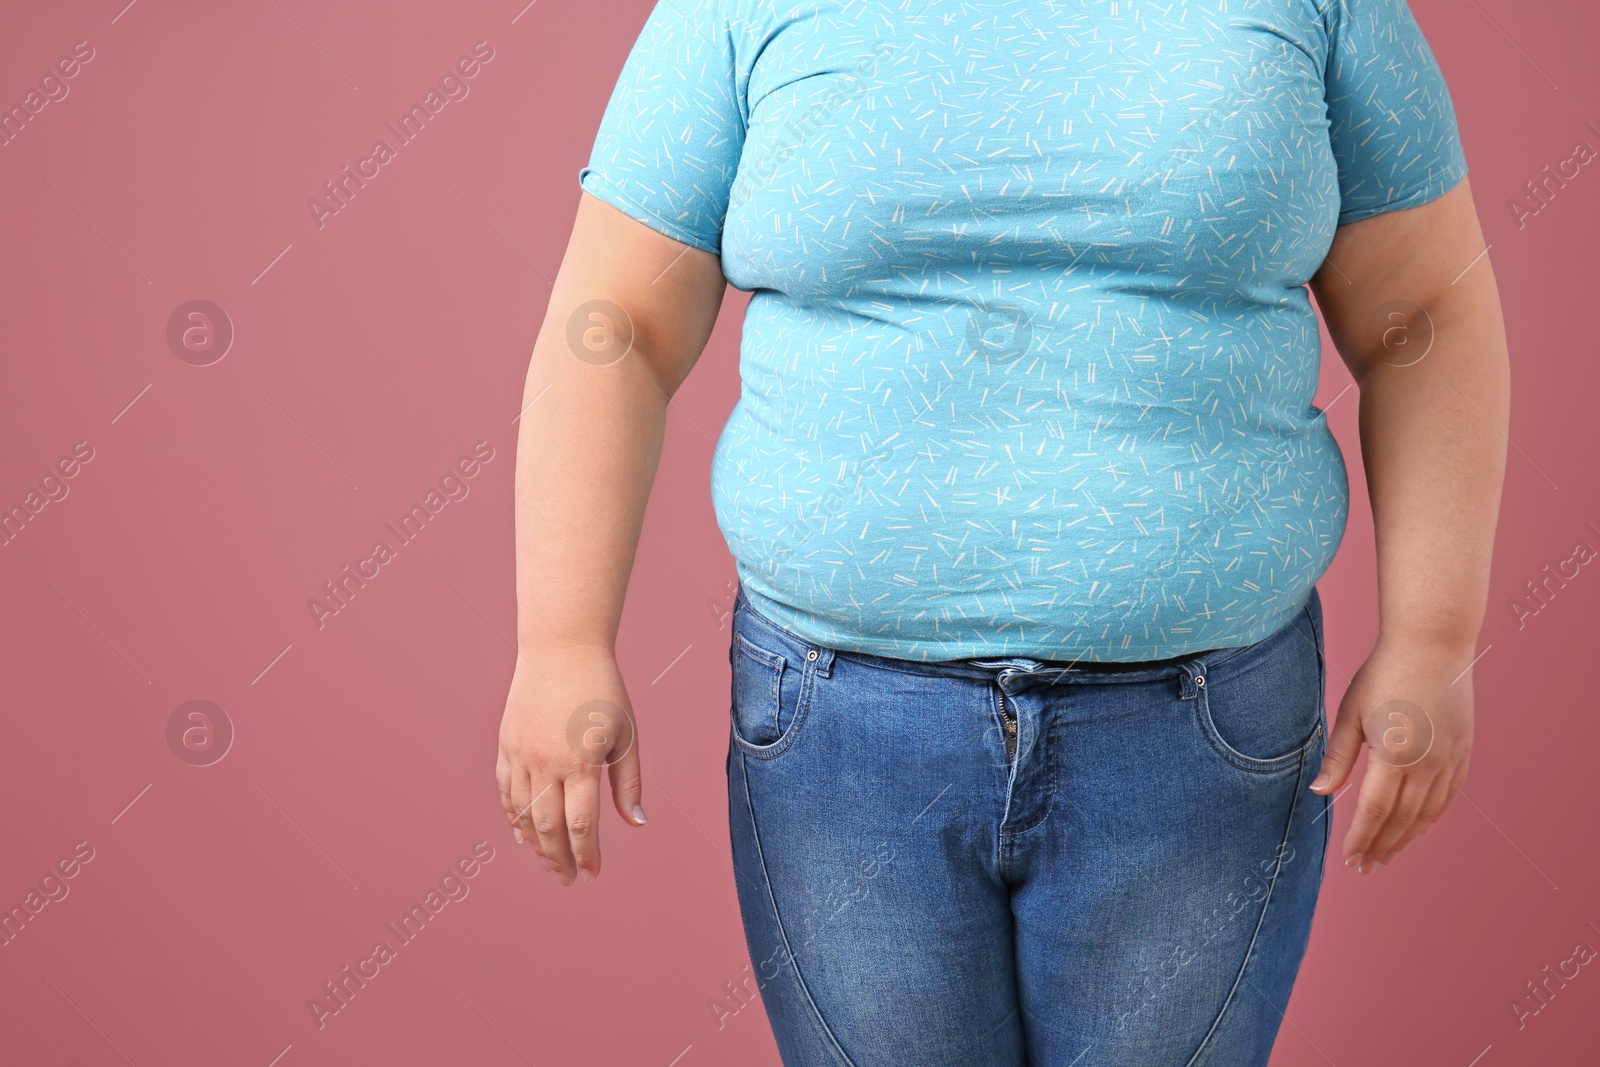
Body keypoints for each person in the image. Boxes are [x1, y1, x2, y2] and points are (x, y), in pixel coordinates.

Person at [495, 0, 1509, 1061]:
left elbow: (1422, 314)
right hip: (842, 729)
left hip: (1202, 729)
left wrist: (1433, 639)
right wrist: (562, 639)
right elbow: (615, 322)